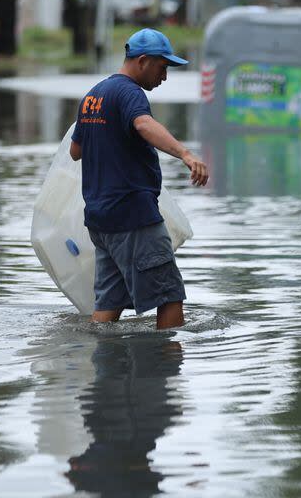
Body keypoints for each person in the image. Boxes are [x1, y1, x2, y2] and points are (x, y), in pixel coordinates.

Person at [69, 28, 208, 329]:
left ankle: (103, 370)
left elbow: (75, 151)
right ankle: (165, 366)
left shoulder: (92, 96)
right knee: (170, 297)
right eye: (163, 67)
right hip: (133, 217)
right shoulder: (130, 93)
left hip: (101, 221)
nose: (165, 76)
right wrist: (185, 154)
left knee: (108, 305)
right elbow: (143, 124)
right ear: (143, 61)